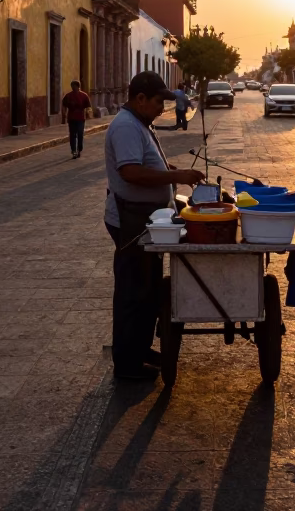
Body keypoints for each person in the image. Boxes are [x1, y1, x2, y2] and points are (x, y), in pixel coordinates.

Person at [104, 71, 204, 380]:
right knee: (133, 293)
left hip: (149, 219)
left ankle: (141, 350)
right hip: (131, 220)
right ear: (140, 99)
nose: (163, 108)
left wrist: (164, 168)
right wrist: (175, 177)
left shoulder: (140, 123)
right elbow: (131, 172)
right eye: (159, 102)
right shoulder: (125, 127)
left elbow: (143, 164)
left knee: (146, 291)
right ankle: (127, 365)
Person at [61, 80, 92, 159]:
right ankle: (74, 150)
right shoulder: (68, 96)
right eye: (72, 86)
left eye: (74, 86)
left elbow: (88, 106)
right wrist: (64, 114)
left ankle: (79, 149)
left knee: (80, 134)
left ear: (78, 86)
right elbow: (64, 105)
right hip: (71, 118)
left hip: (81, 118)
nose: (72, 87)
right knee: (72, 134)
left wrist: (88, 113)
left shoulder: (84, 96)